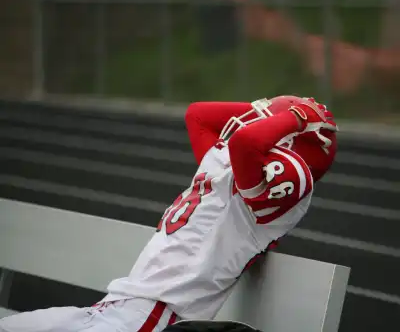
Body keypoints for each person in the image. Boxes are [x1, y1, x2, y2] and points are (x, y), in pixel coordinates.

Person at [0, 96, 338, 332]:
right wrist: (270, 109)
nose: (252, 119)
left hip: (153, 317)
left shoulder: (292, 177)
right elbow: (198, 115)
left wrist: (296, 117)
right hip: (114, 307)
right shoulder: (231, 175)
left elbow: (245, 143)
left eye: (265, 119)